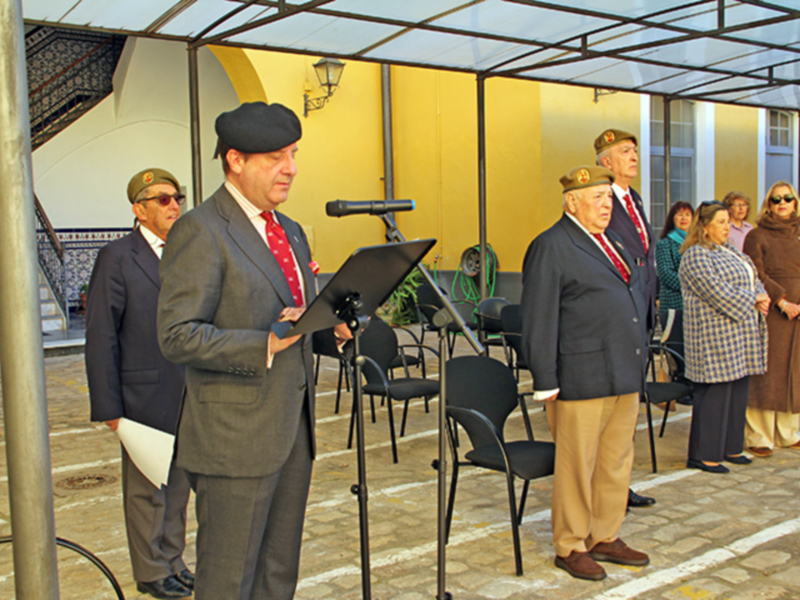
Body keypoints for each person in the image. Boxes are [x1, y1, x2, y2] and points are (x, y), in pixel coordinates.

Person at [156, 102, 351, 600]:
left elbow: (296, 321)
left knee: (278, 574)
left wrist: (333, 331)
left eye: (294, 154)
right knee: (228, 581)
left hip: (293, 431)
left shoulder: (290, 231)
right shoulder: (200, 229)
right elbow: (176, 334)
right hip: (233, 441)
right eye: (275, 157)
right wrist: (261, 342)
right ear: (236, 160)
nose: (291, 168)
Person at [521, 165, 649, 582]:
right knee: (577, 466)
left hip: (622, 370)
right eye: (598, 197)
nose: (607, 205)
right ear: (572, 202)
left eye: (609, 197)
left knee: (615, 462)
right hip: (580, 375)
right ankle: (571, 544)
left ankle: (604, 535)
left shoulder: (612, 241)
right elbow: (538, 318)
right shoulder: (551, 245)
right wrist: (545, 379)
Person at [85, 168, 193, 599]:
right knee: (148, 488)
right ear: (139, 209)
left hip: (186, 389)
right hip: (142, 394)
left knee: (179, 486)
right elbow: (101, 334)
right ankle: (151, 571)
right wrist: (109, 407)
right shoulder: (117, 256)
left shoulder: (186, 251)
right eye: (163, 199)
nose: (174, 206)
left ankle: (173, 560)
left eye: (177, 197)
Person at [679, 201, 769, 474]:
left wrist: (762, 295)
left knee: (737, 391)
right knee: (714, 395)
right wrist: (753, 298)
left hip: (739, 333)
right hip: (712, 336)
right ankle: (704, 454)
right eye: (720, 222)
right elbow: (716, 291)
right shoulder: (696, 255)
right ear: (704, 227)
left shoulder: (730, 251)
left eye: (728, 222)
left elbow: (753, 277)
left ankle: (731, 447)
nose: (727, 227)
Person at [594, 127, 657, 509]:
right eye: (625, 151)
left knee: (629, 404)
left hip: (641, 312)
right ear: (606, 161)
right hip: (617, 315)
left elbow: (645, 256)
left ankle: (620, 481)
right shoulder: (599, 199)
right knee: (612, 405)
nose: (634, 157)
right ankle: (606, 483)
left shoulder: (634, 199)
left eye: (635, 150)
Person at [742, 181, 800, 457]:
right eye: (776, 199)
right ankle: (760, 435)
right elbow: (755, 272)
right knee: (767, 373)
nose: (782, 203)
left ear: (795, 202)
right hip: (772, 312)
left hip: (798, 313)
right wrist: (781, 301)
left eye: (787, 198)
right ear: (769, 204)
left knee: (794, 372)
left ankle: (789, 433)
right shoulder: (757, 235)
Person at [655, 201, 693, 370]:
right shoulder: (665, 244)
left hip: (693, 307)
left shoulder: (697, 243)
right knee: (679, 357)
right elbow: (666, 274)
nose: (684, 218)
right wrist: (694, 287)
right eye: (679, 214)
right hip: (674, 306)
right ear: (672, 218)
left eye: (687, 214)